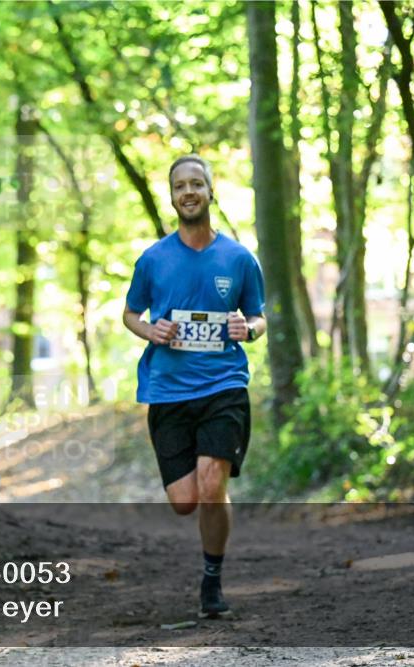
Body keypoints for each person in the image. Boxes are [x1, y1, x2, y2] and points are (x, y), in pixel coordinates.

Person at [123, 154, 266, 618]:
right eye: (180, 185)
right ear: (172, 196)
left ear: (210, 191)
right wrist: (151, 331)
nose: (189, 192)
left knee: (210, 485)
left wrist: (250, 329)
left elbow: (259, 315)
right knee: (185, 502)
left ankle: (212, 581)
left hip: (224, 385)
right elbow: (130, 313)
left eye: (196, 184)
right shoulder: (153, 259)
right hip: (168, 391)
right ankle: (211, 512)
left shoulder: (239, 258)